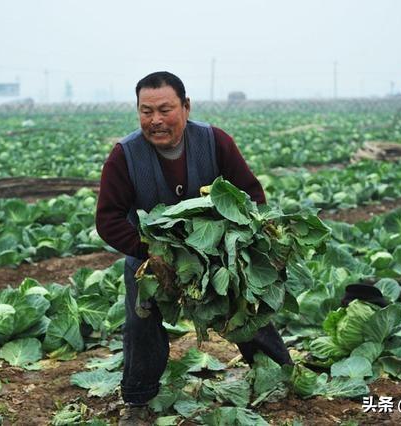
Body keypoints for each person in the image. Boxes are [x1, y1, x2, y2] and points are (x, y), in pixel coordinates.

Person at [96, 71, 292, 425]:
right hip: (153, 258)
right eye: (146, 111)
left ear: (185, 107)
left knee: (248, 303)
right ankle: (138, 400)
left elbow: (251, 195)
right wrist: (149, 252)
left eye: (165, 109)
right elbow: (108, 220)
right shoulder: (124, 156)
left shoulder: (215, 142)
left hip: (218, 255)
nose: (155, 120)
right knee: (140, 317)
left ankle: (277, 373)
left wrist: (234, 242)